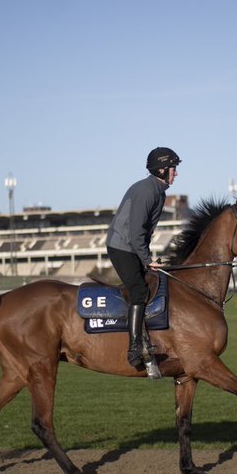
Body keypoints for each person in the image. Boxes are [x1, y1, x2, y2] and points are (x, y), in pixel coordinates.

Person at [107, 147, 180, 379]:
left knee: (151, 284)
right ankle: (134, 348)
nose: (176, 174)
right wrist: (147, 260)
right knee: (138, 292)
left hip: (133, 246)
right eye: (173, 169)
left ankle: (150, 339)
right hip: (122, 247)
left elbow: (143, 234)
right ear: (161, 170)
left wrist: (148, 260)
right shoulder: (146, 191)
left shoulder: (158, 191)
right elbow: (136, 232)